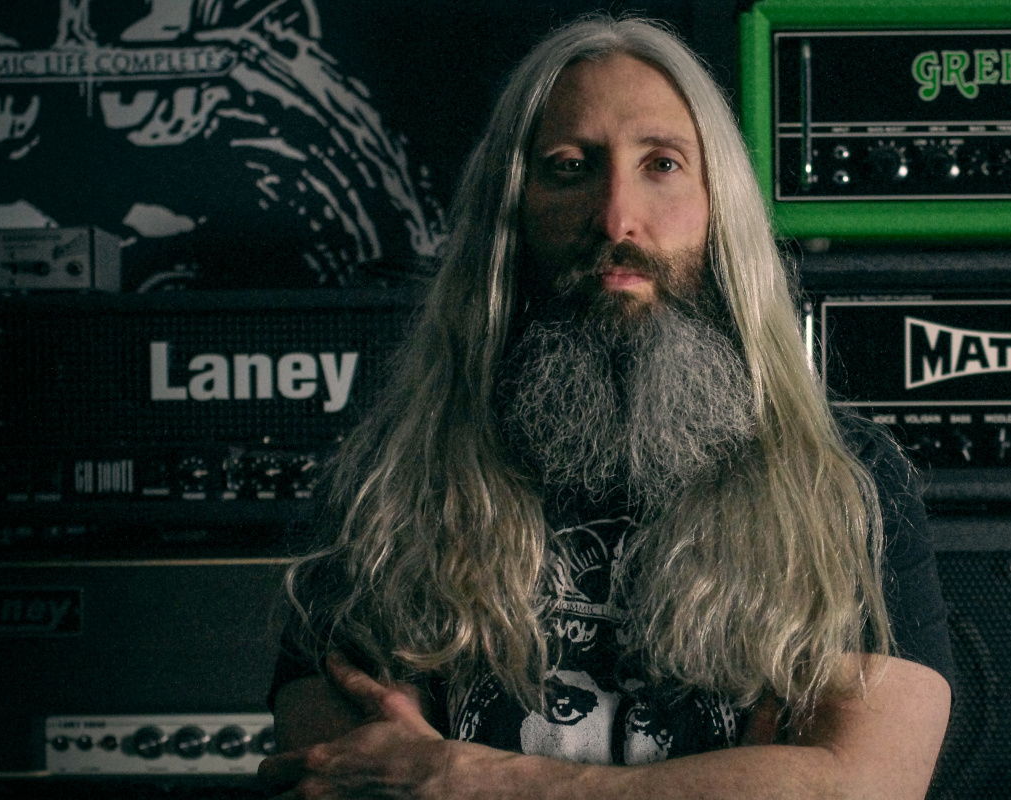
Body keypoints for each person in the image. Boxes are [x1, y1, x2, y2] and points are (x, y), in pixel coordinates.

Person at [260, 15, 953, 800]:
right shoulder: (388, 479)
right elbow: (336, 776)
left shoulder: (843, 479)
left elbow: (867, 785)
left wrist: (471, 777)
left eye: (662, 164)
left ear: (719, 203)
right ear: (511, 208)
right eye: (569, 167)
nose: (616, 216)